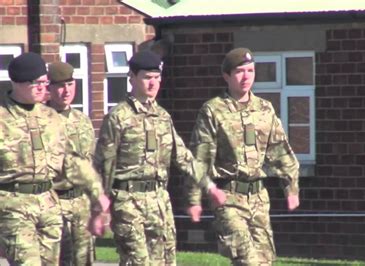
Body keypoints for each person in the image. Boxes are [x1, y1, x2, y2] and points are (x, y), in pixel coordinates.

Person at [94, 50, 226, 266]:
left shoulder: (163, 117)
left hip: (159, 201)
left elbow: (183, 157)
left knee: (165, 262)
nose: (153, 83)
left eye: (157, 78)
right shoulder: (118, 117)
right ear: (132, 78)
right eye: (147, 77)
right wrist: (100, 207)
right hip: (128, 202)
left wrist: (210, 187)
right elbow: (103, 164)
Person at [186, 47, 300, 266]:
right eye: (240, 71)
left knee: (264, 261)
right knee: (247, 261)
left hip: (259, 198)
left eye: (250, 70)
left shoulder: (264, 109)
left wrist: (291, 188)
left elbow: (281, 151)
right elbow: (200, 157)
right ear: (226, 76)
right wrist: (194, 199)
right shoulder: (213, 110)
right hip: (228, 197)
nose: (246, 77)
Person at [0, 53, 108, 265]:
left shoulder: (51, 117)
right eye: (36, 83)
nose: (42, 88)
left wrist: (98, 193)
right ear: (16, 83)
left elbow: (70, 160)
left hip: (49, 207)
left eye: (44, 82)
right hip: (14, 206)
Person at [47, 61, 108, 265]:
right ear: (50, 88)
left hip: (81, 204)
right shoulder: (43, 120)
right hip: (55, 202)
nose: (66, 91)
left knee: (84, 260)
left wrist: (96, 207)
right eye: (61, 86)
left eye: (71, 84)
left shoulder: (83, 121)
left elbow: (91, 163)